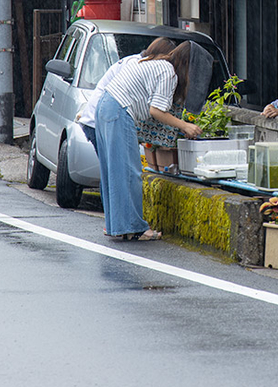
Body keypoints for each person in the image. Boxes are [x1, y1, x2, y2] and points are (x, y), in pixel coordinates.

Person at [96, 41, 212, 240]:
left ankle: (117, 225)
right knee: (129, 172)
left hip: (106, 107)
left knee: (113, 171)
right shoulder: (169, 72)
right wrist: (184, 125)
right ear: (187, 66)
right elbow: (156, 111)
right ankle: (136, 228)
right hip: (119, 110)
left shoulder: (154, 61)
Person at [76, 37, 176, 152]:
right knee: (118, 165)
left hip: (100, 118)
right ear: (163, 55)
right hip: (98, 120)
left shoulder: (141, 62)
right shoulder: (136, 63)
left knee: (113, 166)